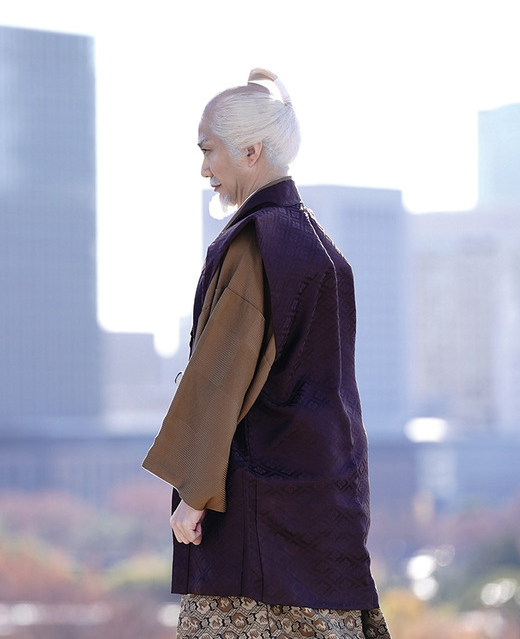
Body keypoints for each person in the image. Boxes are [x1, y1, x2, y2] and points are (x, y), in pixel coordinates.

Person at [142, 70, 391, 638]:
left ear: (250, 151)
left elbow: (218, 376)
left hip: (258, 519)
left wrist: (194, 495)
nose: (204, 168)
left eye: (209, 151)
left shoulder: (258, 242)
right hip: (327, 511)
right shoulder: (321, 247)